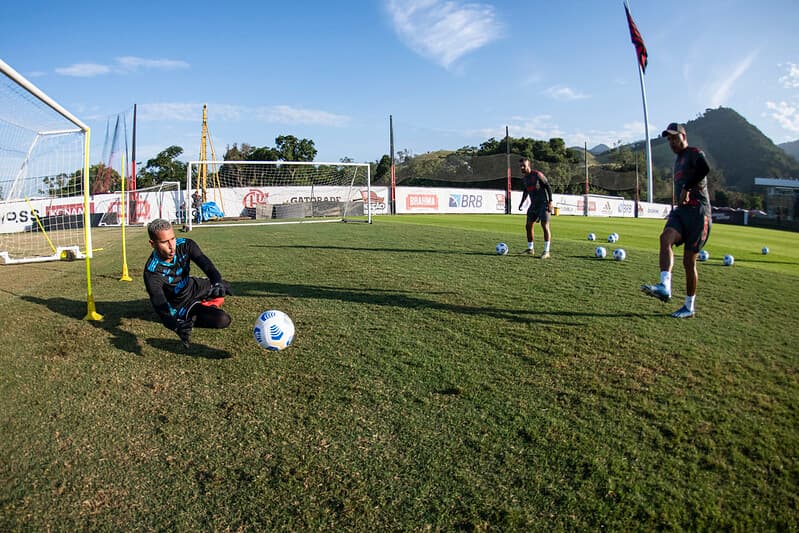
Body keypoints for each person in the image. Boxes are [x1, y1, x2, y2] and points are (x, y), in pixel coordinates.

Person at [641, 122, 711, 318]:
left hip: (699, 213)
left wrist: (687, 188)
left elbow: (705, 168)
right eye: (669, 139)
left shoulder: (694, 152)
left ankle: (689, 307)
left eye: (674, 137)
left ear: (683, 135)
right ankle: (665, 286)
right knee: (665, 238)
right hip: (681, 211)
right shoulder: (678, 160)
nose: (671, 142)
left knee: (689, 262)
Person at [144, 218, 232, 348]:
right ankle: (197, 311)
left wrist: (217, 282)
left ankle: (205, 298)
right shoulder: (152, 272)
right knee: (222, 320)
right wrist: (174, 326)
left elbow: (207, 265)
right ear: (152, 243)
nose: (171, 246)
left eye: (172, 239)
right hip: (180, 303)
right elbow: (159, 304)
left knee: (225, 286)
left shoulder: (186, 245)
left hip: (192, 286)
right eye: (164, 242)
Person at [518, 157, 553, 258]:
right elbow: (526, 191)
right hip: (533, 205)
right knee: (528, 226)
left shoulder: (537, 174)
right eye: (520, 166)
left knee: (544, 225)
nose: (522, 167)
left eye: (523, 165)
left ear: (528, 165)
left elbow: (547, 186)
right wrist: (521, 203)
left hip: (543, 203)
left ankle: (546, 251)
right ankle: (530, 249)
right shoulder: (525, 179)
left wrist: (550, 201)